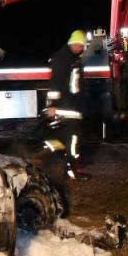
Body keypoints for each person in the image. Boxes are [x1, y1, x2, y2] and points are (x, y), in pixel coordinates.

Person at [44, 29, 91, 180]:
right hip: (66, 106)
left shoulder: (72, 58)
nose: (81, 48)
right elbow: (55, 83)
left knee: (69, 137)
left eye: (82, 46)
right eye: (79, 45)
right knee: (73, 138)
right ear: (72, 43)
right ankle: (72, 170)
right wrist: (53, 105)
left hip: (72, 106)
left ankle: (65, 162)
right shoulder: (63, 59)